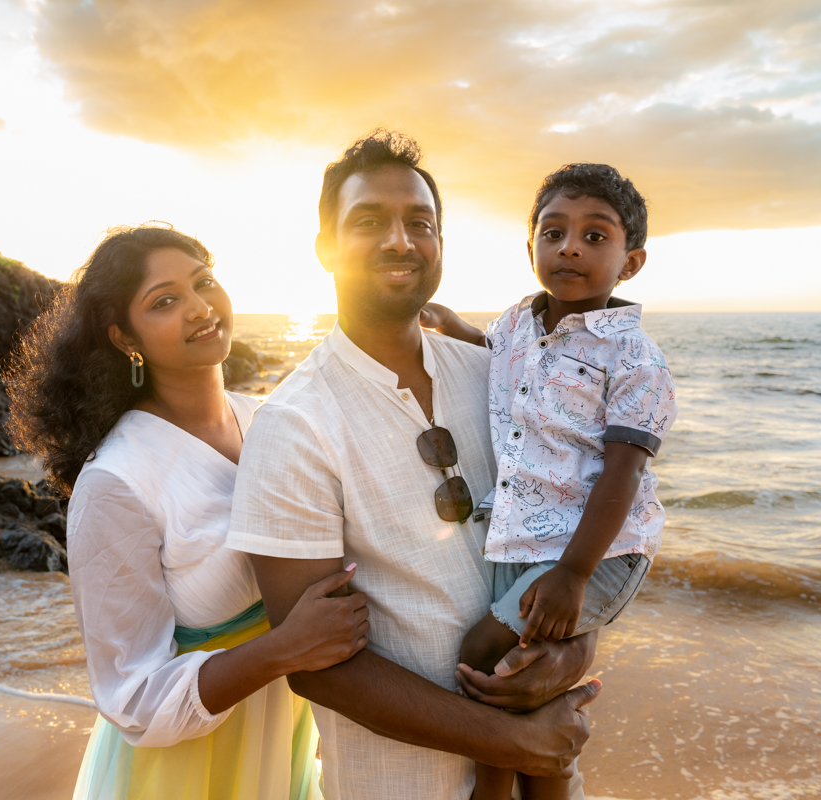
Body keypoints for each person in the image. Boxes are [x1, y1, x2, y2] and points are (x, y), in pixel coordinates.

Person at [225, 130, 601, 800]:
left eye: (419, 223)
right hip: (398, 783)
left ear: (440, 248)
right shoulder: (293, 425)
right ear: (325, 247)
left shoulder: (493, 376)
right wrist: (510, 739)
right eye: (369, 221)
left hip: (538, 772)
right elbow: (312, 664)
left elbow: (568, 539)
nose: (399, 241)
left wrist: (573, 653)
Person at [4, 223, 371, 800]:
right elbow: (133, 700)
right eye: (165, 301)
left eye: (204, 282)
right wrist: (282, 649)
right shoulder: (115, 482)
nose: (200, 308)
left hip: (289, 733)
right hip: (189, 770)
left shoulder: (270, 421)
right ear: (125, 336)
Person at [421, 163, 678, 799]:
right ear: (531, 244)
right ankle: (529, 780)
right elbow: (509, 363)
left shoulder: (635, 358)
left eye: (596, 237)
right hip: (521, 540)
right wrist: (460, 332)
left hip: (595, 552)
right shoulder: (514, 325)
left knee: (486, 653)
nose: (569, 247)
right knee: (530, 687)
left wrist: (573, 574)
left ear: (631, 262)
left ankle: (492, 784)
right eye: (553, 232)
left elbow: (623, 473)